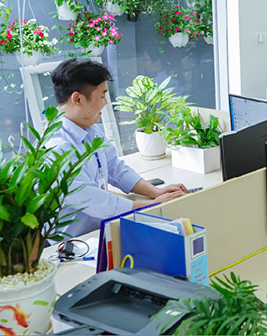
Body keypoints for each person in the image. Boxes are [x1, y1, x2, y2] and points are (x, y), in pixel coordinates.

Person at [47, 58, 186, 240]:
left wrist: (156, 192)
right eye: (102, 96)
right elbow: (97, 202)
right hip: (75, 243)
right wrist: (152, 205)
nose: (105, 103)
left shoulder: (89, 129)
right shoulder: (57, 149)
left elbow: (116, 169)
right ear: (78, 99)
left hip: (99, 231)